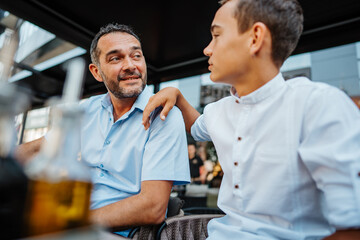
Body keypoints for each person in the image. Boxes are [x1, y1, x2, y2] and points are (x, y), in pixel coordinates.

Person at [142, 0, 360, 239]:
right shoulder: (218, 111)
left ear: (255, 37)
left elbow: (351, 227)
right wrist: (178, 96)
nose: (207, 49)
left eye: (216, 35)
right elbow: (196, 126)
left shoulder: (318, 106)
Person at [16, 23, 190, 237]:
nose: (130, 65)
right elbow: (40, 148)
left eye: (136, 56)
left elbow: (152, 208)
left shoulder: (164, 115)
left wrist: (72, 221)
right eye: (115, 58)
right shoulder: (87, 109)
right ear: (96, 72)